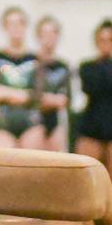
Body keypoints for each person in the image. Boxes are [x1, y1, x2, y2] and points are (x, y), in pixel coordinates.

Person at [76, 19, 112, 210]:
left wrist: (109, 63)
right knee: (85, 179)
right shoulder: (86, 67)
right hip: (93, 125)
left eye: (109, 40)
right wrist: (106, 64)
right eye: (101, 40)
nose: (105, 44)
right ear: (96, 41)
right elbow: (90, 86)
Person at [0, 7, 43, 150]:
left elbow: (37, 94)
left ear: (25, 26)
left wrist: (7, 93)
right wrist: (23, 94)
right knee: (4, 167)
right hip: (4, 124)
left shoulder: (36, 59)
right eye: (11, 24)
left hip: (30, 123)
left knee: (30, 168)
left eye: (20, 23)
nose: (16, 28)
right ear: (4, 27)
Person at [34, 16, 72, 153]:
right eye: (45, 33)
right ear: (38, 36)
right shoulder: (31, 64)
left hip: (55, 121)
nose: (49, 37)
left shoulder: (63, 66)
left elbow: (66, 99)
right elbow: (31, 97)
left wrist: (46, 99)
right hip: (33, 121)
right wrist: (49, 99)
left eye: (53, 33)